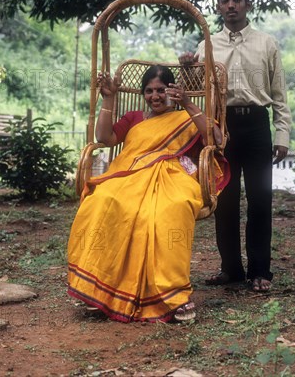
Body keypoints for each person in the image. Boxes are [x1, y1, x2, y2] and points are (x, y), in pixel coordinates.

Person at [67, 65, 229, 322]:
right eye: (149, 91)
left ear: (172, 91)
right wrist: (108, 97)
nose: (156, 96)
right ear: (143, 94)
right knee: (101, 201)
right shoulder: (134, 118)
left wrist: (188, 104)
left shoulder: (185, 117)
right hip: (130, 175)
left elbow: (217, 140)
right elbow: (104, 137)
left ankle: (173, 296)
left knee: (170, 209)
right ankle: (100, 289)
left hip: (174, 175)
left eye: (161, 90)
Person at [179, 0, 291, 292]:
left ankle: (260, 272)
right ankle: (231, 270)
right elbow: (194, 92)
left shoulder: (266, 43)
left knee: (260, 200)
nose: (231, 5)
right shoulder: (207, 45)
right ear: (218, 5)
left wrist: (282, 133)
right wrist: (187, 68)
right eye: (225, 0)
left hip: (257, 126)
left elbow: (279, 93)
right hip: (220, 128)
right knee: (223, 202)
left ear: (247, 3)